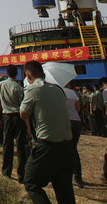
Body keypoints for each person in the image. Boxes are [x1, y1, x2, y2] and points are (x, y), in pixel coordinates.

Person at [19, 60, 75, 204]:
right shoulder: (58, 89)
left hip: (48, 146)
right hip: (67, 146)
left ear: (28, 75)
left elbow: (23, 114)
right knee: (64, 190)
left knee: (31, 182)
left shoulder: (32, 89)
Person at [0, 65, 29, 182]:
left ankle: (6, 171)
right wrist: (28, 125)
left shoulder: (0, 85)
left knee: (7, 144)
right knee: (20, 145)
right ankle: (22, 174)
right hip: (18, 117)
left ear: (7, 73)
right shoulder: (19, 88)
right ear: (17, 74)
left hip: (6, 116)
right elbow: (23, 107)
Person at [61, 81, 84, 188]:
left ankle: (72, 176)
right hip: (76, 122)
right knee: (73, 149)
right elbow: (78, 109)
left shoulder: (60, 92)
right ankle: (77, 176)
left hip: (66, 122)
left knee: (65, 149)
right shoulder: (74, 93)